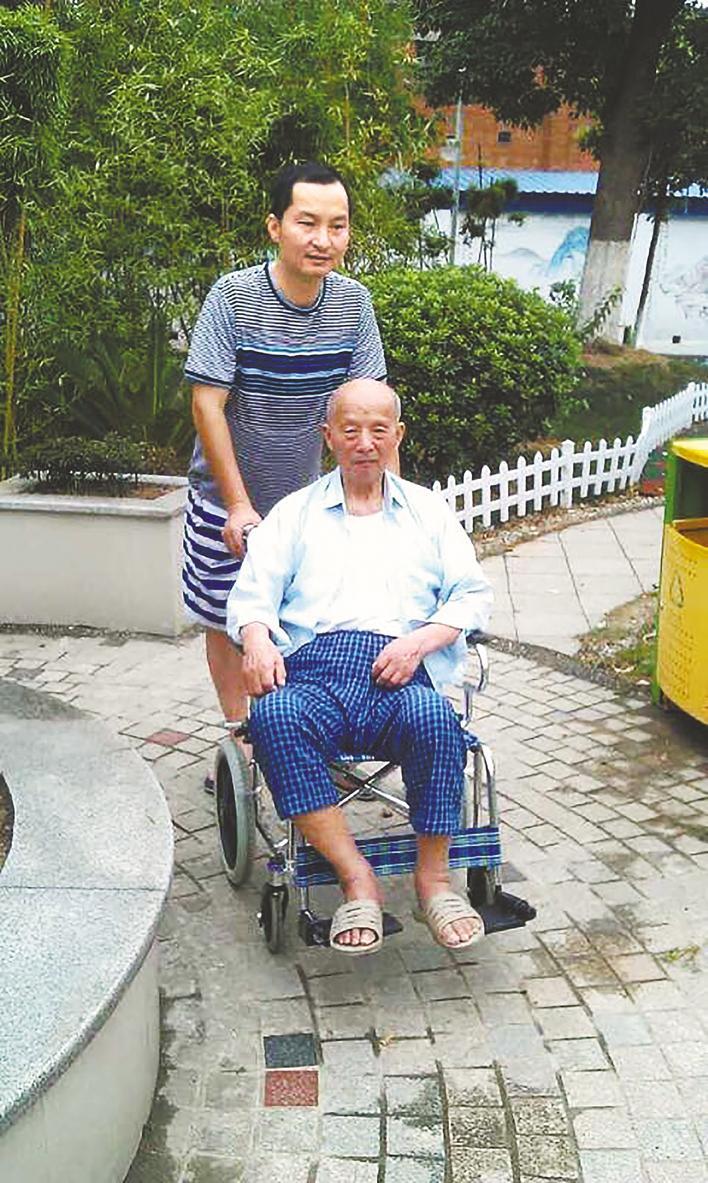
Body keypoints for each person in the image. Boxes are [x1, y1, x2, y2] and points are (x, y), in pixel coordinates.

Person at [227, 379, 493, 955]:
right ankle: (357, 879)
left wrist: (421, 642)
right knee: (275, 718)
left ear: (397, 435)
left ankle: (433, 881)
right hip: (313, 670)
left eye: (378, 430)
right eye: (350, 430)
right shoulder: (294, 514)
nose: (365, 442)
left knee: (435, 721)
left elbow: (471, 595)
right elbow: (252, 596)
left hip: (401, 666)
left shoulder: (428, 511)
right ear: (328, 437)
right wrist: (256, 639)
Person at [182, 161, 387, 737]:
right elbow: (206, 406)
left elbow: (371, 411)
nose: (324, 240)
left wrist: (385, 506)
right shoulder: (233, 297)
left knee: (307, 617)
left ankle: (296, 730)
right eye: (307, 223)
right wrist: (237, 504)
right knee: (226, 617)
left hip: (310, 502)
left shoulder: (354, 304)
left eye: (338, 226)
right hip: (225, 498)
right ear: (275, 227)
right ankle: (240, 738)